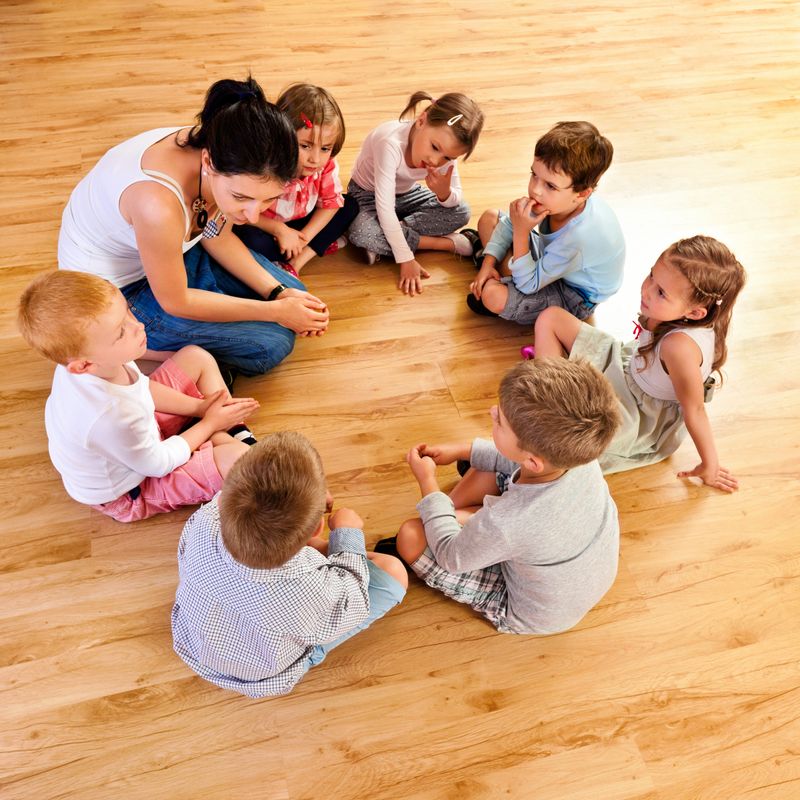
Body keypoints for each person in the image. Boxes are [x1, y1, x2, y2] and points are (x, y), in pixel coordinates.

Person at [57, 76, 330, 376]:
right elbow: (176, 300)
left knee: (296, 292)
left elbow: (215, 236)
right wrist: (276, 311)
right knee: (273, 343)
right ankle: (148, 355)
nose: (253, 217)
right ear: (208, 161)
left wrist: (278, 293)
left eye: (268, 201)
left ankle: (205, 329)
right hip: (119, 293)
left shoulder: (220, 146)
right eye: (242, 198)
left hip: (171, 254)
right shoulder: (157, 205)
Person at [375, 359, 621, 635]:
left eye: (499, 421)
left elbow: (451, 556)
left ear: (533, 461)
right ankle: (450, 518)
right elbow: (516, 461)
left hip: (526, 610)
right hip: (569, 572)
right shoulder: (579, 458)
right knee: (485, 468)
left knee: (410, 535)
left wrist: (427, 481)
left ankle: (446, 521)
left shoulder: (509, 522)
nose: (492, 412)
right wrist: (462, 451)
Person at [171, 431, 408, 697]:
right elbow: (351, 601)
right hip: (266, 673)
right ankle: (307, 656)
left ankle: (294, 542)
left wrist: (307, 503)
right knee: (393, 574)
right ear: (319, 527)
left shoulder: (204, 520)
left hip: (192, 642)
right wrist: (347, 533)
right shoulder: (310, 590)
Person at [17, 271, 259, 522]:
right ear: (84, 365)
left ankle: (227, 434)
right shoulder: (111, 416)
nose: (138, 326)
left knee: (195, 357)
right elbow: (157, 463)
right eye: (120, 332)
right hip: (133, 489)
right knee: (237, 459)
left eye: (128, 312)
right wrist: (210, 423)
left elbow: (141, 388)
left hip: (139, 439)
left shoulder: (99, 364)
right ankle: (233, 439)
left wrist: (200, 408)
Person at [534, 235, 746, 490]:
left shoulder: (679, 347)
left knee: (563, 447)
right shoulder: (675, 315)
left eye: (660, 292)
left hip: (637, 411)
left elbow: (696, 410)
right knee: (551, 318)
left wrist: (710, 465)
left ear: (694, 313)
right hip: (625, 368)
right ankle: (545, 393)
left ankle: (551, 405)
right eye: (651, 276)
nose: (646, 289)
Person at [466, 121, 625, 324]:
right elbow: (508, 224)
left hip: (575, 295)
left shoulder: (579, 238)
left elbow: (527, 285)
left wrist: (522, 232)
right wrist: (487, 266)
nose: (536, 190)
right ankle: (492, 265)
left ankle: (502, 285)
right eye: (534, 175)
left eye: (550, 185)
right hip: (550, 262)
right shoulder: (558, 201)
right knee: (489, 219)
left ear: (582, 194)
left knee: (492, 295)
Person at [348, 91, 484, 296]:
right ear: (422, 120)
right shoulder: (390, 143)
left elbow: (456, 197)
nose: (436, 161)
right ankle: (443, 244)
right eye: (435, 147)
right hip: (367, 193)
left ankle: (391, 236)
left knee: (462, 211)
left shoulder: (446, 152)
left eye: (448, 157)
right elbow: (384, 207)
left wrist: (444, 193)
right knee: (360, 232)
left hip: (406, 193)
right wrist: (405, 258)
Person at [234, 83, 358, 275]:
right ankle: (316, 246)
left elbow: (331, 204)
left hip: (300, 224)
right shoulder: (265, 165)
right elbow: (241, 210)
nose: (315, 159)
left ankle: (296, 262)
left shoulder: (326, 164)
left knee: (349, 206)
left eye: (325, 148)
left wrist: (304, 238)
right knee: (248, 239)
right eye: (305, 146)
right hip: (265, 224)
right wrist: (279, 230)